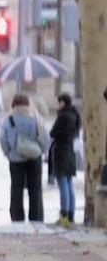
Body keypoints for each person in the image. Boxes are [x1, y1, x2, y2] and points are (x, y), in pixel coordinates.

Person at [0, 93, 49, 223]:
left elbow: (2, 138)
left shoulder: (9, 120)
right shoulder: (37, 118)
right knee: (35, 188)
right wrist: (41, 151)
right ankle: (36, 217)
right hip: (34, 157)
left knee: (16, 188)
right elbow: (45, 138)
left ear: (13, 104)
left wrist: (8, 152)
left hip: (15, 158)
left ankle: (17, 217)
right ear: (28, 104)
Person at [49, 92, 82, 225]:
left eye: (59, 102)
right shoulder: (75, 115)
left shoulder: (63, 116)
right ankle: (71, 215)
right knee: (69, 185)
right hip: (70, 153)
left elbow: (53, 132)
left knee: (63, 185)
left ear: (62, 102)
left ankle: (64, 215)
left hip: (61, 153)